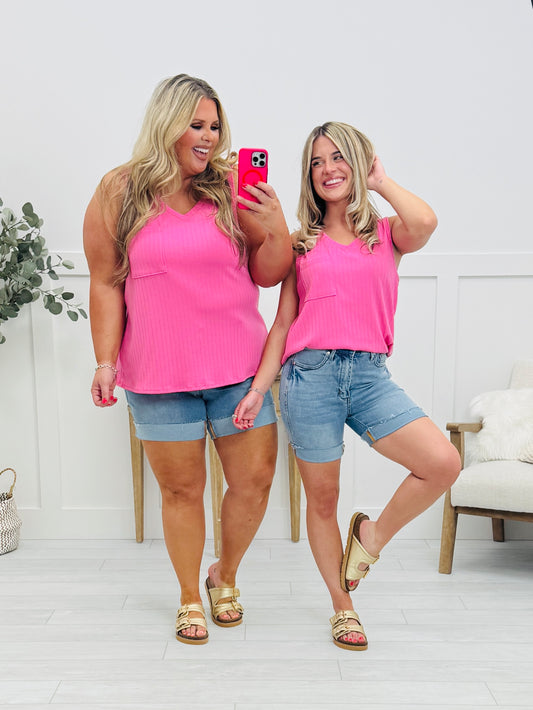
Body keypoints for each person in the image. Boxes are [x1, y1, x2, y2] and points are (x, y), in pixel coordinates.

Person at [233, 121, 461, 651]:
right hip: (308, 378)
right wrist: (258, 389)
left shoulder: (386, 234)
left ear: (359, 163)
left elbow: (426, 221)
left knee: (442, 463)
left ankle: (370, 537)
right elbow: (283, 323)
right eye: (317, 162)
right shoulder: (302, 244)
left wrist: (380, 181)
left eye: (338, 157)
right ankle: (343, 607)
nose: (328, 169)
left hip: (370, 377)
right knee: (323, 499)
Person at [83, 74, 292, 645]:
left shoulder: (229, 187)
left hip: (239, 372)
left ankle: (225, 575)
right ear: (167, 124)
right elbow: (104, 281)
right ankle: (188, 596)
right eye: (196, 125)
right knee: (180, 491)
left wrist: (275, 226)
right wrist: (105, 361)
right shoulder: (118, 190)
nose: (208, 137)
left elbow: (267, 273)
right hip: (158, 374)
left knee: (254, 481)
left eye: (215, 126)